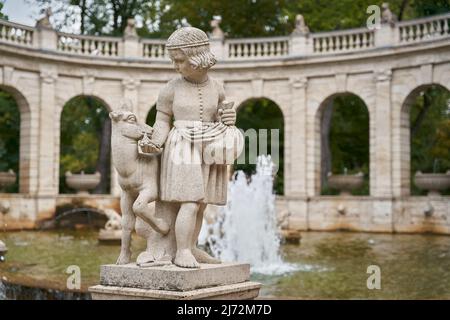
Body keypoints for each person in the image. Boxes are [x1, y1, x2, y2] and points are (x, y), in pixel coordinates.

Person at [147, 27, 240, 268]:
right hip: (182, 146)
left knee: (201, 204)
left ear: (197, 58)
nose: (175, 66)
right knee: (189, 201)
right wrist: (155, 142)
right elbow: (162, 121)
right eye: (174, 61)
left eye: (179, 61)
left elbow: (222, 114)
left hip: (209, 143)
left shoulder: (217, 87)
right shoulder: (170, 88)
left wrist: (229, 117)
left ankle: (192, 247)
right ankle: (182, 252)